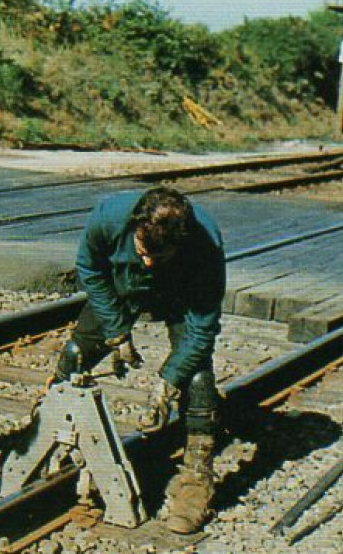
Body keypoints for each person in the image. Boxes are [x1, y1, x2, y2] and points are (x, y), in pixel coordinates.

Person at [52, 186, 226, 534]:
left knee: (197, 379)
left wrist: (168, 381)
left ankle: (195, 483)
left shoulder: (206, 248)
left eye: (157, 256)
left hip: (181, 293)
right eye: (143, 251)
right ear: (134, 228)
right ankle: (46, 438)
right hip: (122, 285)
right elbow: (90, 270)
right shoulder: (106, 220)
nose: (148, 262)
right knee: (75, 355)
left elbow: (201, 329)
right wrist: (116, 332)